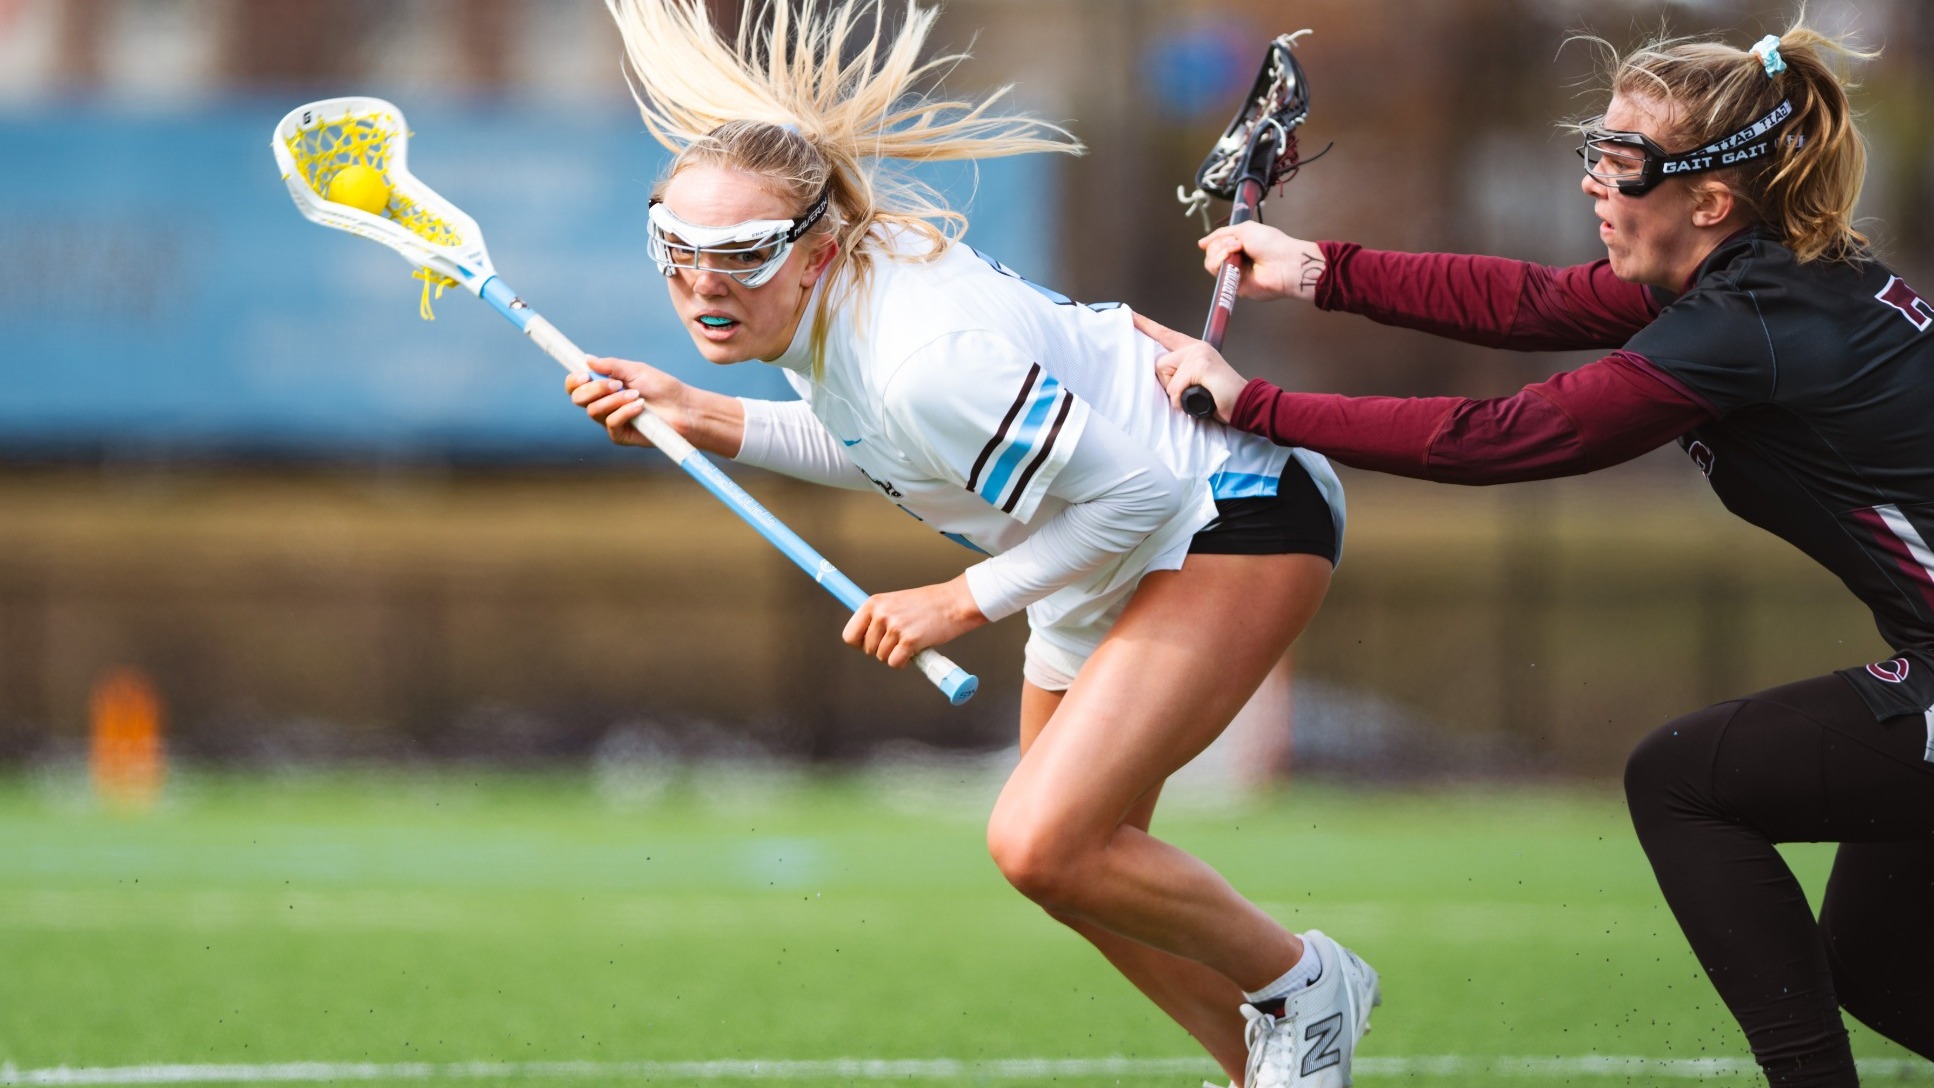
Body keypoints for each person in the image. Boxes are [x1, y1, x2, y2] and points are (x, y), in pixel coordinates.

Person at [568, 1, 1378, 1084]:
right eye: (676, 249)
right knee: (1071, 868)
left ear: (814, 251)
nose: (705, 284)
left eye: (741, 255)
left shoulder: (915, 351)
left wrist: (956, 599)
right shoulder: (841, 311)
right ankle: (1258, 1062)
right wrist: (701, 412)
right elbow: (903, 449)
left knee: (1040, 838)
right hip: (1102, 535)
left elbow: (1132, 491)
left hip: (1222, 513)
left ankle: (1305, 981)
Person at [1138, 20, 1934, 1088]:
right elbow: (1531, 301)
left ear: (1708, 200)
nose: (1594, 186)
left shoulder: (1744, 321)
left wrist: (1259, 405)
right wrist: (1318, 269)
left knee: (1682, 779)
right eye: (1592, 154)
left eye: (1623, 164)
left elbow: (1511, 436)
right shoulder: (1758, 283)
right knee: (1876, 969)